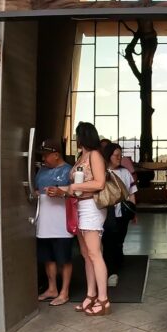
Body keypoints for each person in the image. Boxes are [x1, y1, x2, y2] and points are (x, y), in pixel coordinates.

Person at [54, 122, 111, 316]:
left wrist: (71, 189)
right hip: (80, 207)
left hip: (91, 208)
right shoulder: (82, 156)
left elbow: (99, 182)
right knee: (87, 254)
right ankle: (91, 294)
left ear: (82, 137)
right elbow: (76, 186)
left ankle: (103, 300)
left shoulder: (94, 155)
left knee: (94, 254)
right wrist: (61, 190)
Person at [36, 139, 73, 307]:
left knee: (64, 259)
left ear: (56, 155)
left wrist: (61, 191)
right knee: (47, 258)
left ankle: (64, 292)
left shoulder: (69, 171)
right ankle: (52, 288)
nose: (44, 159)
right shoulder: (41, 171)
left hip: (61, 222)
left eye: (46, 155)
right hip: (44, 221)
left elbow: (77, 193)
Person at [102, 143, 137, 288]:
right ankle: (111, 272)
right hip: (105, 213)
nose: (119, 158)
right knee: (108, 243)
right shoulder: (101, 172)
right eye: (116, 155)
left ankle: (116, 265)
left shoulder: (125, 172)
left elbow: (132, 193)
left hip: (121, 213)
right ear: (108, 156)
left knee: (118, 241)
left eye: (120, 155)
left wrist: (133, 212)